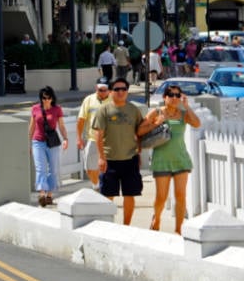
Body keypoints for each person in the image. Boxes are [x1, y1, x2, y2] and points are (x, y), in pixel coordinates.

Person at [141, 86, 201, 234]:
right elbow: (139, 131)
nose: (174, 98)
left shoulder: (182, 114)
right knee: (161, 197)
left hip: (181, 160)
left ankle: (179, 230)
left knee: (180, 196)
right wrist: (156, 123)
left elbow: (197, 123)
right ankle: (157, 218)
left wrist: (187, 107)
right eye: (170, 94)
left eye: (177, 95)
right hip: (161, 160)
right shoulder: (156, 112)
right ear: (164, 97)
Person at [91, 77, 146, 224]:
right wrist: (101, 157)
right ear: (110, 92)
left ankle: (126, 225)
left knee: (130, 194)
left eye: (124, 89)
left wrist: (139, 152)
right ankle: (108, 225)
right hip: (110, 160)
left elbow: (140, 131)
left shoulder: (134, 110)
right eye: (117, 89)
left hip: (130, 159)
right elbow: (98, 134)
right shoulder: (104, 110)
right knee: (108, 195)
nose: (121, 92)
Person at [28, 86, 68, 206]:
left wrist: (66, 138)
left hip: (52, 143)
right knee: (40, 168)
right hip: (38, 142)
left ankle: (49, 195)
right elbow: (32, 127)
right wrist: (28, 143)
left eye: (48, 98)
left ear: (52, 98)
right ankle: (41, 194)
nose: (45, 100)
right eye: (43, 98)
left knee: (53, 169)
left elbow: (61, 126)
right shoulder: (35, 109)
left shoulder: (57, 109)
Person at [75, 77, 111, 187]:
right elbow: (81, 120)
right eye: (100, 90)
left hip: (110, 140)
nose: (103, 92)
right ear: (96, 88)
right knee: (89, 168)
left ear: (109, 90)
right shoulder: (89, 100)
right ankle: (97, 186)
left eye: (105, 90)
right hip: (92, 139)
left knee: (108, 168)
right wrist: (79, 138)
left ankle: (105, 189)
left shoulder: (114, 100)